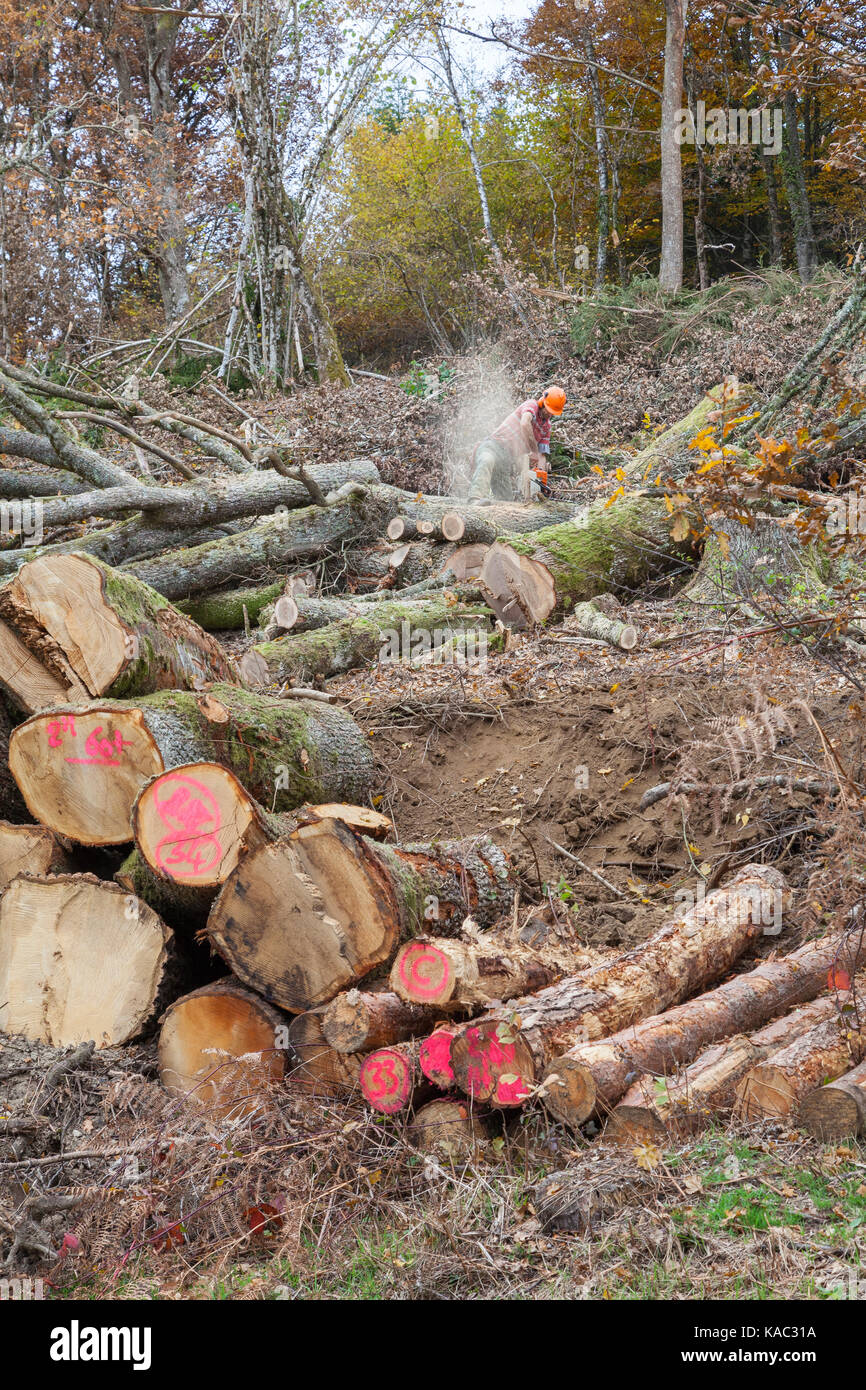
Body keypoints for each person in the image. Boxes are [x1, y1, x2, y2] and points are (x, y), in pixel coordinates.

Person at [468, 386, 566, 502]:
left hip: (505, 461)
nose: (549, 414)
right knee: (487, 460)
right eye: (548, 410)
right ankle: (475, 499)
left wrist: (540, 475)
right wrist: (533, 450)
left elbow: (541, 455)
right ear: (543, 402)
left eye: (552, 413)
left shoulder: (547, 427)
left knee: (506, 501)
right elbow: (525, 423)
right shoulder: (532, 405)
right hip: (493, 446)